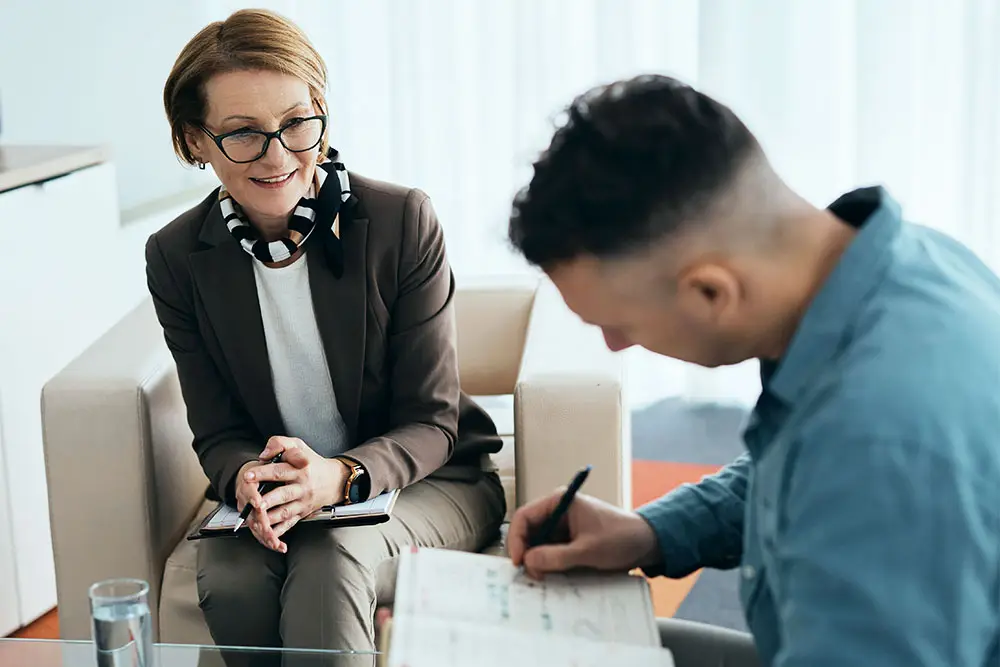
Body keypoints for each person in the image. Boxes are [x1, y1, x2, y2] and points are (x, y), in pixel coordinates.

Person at [504, 74, 1000, 667]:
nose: (614, 347)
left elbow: (851, 465)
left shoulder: (879, 434)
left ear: (711, 292)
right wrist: (649, 534)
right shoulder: (895, 265)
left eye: (621, 325)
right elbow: (805, 470)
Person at [148, 8, 506, 664]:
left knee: (332, 558)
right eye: (243, 134)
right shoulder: (176, 257)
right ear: (194, 140)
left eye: (294, 122)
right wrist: (251, 478)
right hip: (284, 497)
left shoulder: (401, 221)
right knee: (230, 578)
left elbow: (432, 421)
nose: (278, 154)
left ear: (320, 109)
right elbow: (218, 433)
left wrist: (339, 476)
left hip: (431, 481)